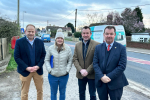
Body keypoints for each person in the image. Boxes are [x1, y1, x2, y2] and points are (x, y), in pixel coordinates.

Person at [93, 26, 129, 100]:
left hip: (116, 83)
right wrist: (102, 77)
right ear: (104, 35)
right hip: (101, 82)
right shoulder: (98, 47)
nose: (109, 36)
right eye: (107, 34)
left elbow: (122, 66)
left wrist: (108, 76)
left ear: (114, 34)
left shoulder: (121, 48)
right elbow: (95, 63)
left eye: (111, 34)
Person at [14, 24, 46, 100]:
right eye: (29, 31)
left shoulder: (40, 42)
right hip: (25, 71)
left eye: (32, 31)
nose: (31, 33)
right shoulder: (19, 42)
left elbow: (43, 55)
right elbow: (16, 57)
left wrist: (38, 66)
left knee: (40, 91)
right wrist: (26, 67)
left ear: (34, 32)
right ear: (25, 32)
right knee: (24, 93)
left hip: (37, 71)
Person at [44, 30, 72, 100]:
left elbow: (70, 61)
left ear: (63, 39)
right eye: (58, 38)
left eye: (61, 38)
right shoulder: (50, 48)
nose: (60, 40)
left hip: (64, 76)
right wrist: (49, 70)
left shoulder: (68, 49)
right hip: (53, 75)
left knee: (62, 92)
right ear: (55, 39)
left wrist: (67, 70)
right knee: (53, 93)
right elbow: (46, 60)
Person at [73, 26, 99, 100]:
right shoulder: (77, 45)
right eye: (84, 33)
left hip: (92, 74)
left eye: (87, 33)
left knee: (93, 94)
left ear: (90, 34)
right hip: (80, 74)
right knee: (81, 94)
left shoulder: (97, 45)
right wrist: (81, 70)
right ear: (81, 34)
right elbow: (75, 59)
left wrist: (87, 71)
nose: (85, 35)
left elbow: (96, 60)